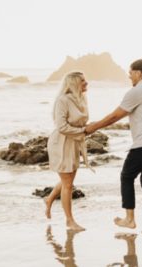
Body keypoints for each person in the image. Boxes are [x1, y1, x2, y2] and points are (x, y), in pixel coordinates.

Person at [85, 56, 142, 234]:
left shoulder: (137, 91)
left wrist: (92, 127)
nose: (129, 76)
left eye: (130, 73)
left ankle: (130, 219)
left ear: (139, 74)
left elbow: (115, 116)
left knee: (126, 176)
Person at [44, 72, 91, 231]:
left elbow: (83, 123)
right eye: (83, 81)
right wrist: (83, 131)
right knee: (68, 184)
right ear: (74, 83)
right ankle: (69, 221)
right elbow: (61, 127)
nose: (87, 83)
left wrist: (85, 131)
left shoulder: (82, 99)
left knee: (68, 181)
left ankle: (49, 199)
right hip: (61, 144)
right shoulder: (62, 101)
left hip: (74, 143)